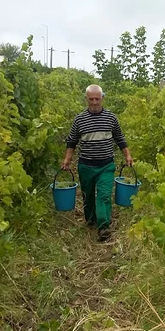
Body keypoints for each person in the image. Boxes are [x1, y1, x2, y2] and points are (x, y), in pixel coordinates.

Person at [62, 84, 134, 242]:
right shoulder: (79, 119)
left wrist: (127, 155)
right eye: (91, 99)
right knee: (88, 196)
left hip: (106, 166)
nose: (94, 102)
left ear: (102, 98)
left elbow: (120, 138)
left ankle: (103, 226)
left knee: (104, 195)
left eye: (97, 99)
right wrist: (67, 159)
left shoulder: (111, 118)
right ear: (86, 99)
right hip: (86, 166)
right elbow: (72, 141)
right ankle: (91, 220)